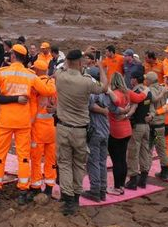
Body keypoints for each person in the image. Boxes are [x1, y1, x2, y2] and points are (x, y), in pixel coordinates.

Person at [0, 44, 56, 206]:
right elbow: (47, 91)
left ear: (14, 56)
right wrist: (51, 81)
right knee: (23, 157)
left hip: (6, 122)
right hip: (23, 123)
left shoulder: (4, 73)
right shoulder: (30, 76)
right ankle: (23, 191)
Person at [55, 49, 108, 215]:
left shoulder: (60, 77)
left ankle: (68, 198)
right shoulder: (86, 82)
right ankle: (76, 196)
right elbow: (104, 87)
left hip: (63, 128)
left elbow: (61, 67)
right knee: (78, 164)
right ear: (80, 62)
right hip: (80, 131)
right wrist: (101, 68)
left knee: (64, 164)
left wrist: (72, 61)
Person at [83, 54, 112, 202]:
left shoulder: (93, 91)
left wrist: (99, 110)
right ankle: (102, 190)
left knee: (93, 161)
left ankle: (95, 190)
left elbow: (90, 105)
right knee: (102, 161)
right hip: (105, 129)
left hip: (95, 130)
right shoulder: (107, 91)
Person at [125, 70, 158, 189]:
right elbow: (153, 107)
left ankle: (133, 180)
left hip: (136, 127)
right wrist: (152, 116)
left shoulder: (136, 93)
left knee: (133, 153)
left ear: (134, 79)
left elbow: (130, 109)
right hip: (146, 126)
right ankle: (143, 179)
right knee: (145, 152)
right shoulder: (147, 92)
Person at [29, 58, 57, 196]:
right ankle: (50, 186)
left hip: (38, 130)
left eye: (34, 69)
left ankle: (35, 187)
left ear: (38, 70)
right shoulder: (53, 84)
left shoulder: (35, 86)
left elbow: (33, 109)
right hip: (52, 130)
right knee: (51, 160)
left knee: (36, 159)